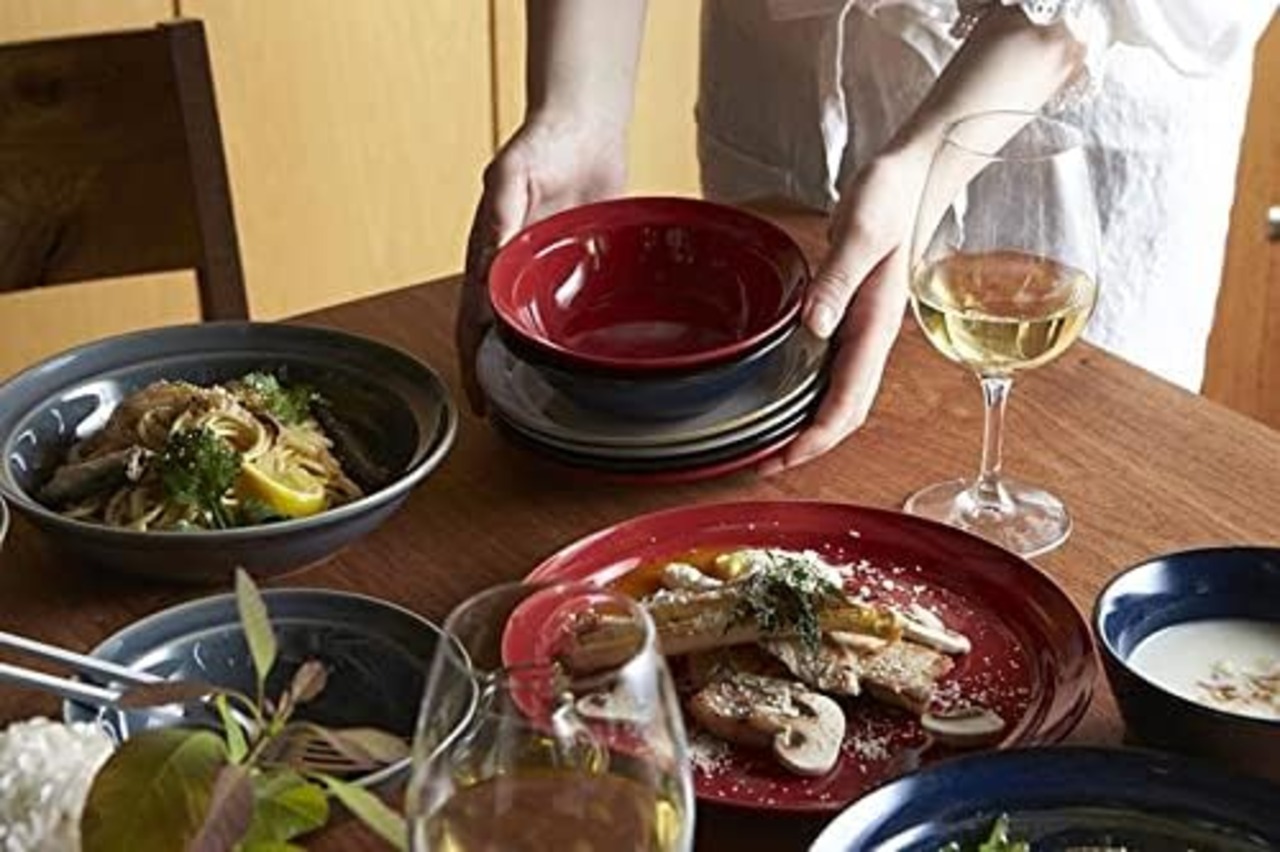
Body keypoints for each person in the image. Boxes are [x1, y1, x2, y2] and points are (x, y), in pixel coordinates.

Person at [457, 0, 1276, 476]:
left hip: (1073, 86)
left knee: (1082, 491)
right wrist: (579, 106)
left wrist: (928, 160)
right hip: (786, 67)